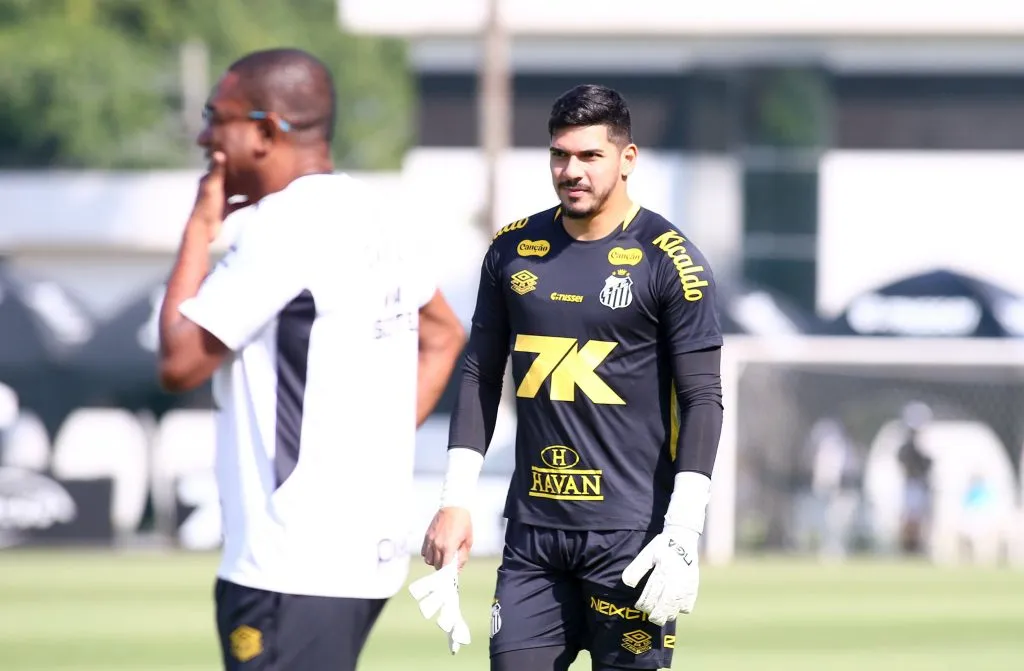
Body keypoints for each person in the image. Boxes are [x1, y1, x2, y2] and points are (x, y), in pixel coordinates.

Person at [157, 48, 466, 671]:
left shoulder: (283, 228)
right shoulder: (375, 213)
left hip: (288, 562)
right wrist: (370, 449)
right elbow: (444, 335)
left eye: (217, 116)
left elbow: (178, 361)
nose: (203, 135)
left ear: (266, 131)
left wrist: (199, 225)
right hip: (359, 557)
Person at [413, 84, 724, 671]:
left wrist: (684, 527)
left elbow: (704, 398)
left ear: (627, 159)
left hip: (632, 539)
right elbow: (480, 372)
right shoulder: (511, 250)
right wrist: (455, 500)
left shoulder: (672, 261)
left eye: (589, 156)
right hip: (533, 534)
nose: (571, 170)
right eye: (560, 155)